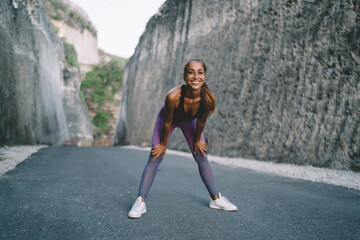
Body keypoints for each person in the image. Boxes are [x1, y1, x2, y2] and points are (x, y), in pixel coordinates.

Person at [128, 58, 237, 219]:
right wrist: (163, 145)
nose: (195, 76)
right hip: (167, 120)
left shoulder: (208, 99)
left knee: (201, 155)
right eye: (190, 72)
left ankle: (216, 199)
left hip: (190, 122)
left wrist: (198, 140)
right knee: (155, 156)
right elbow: (167, 122)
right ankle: (140, 202)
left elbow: (201, 121)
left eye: (200, 72)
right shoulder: (173, 96)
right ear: (184, 76)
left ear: (205, 76)